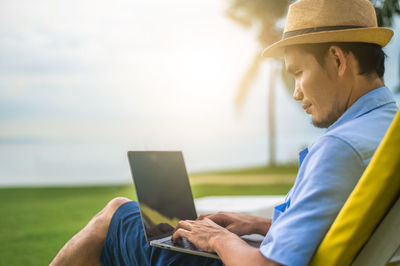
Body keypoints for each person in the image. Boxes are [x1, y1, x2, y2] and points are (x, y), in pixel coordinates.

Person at [50, 0, 398, 265]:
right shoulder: (387, 129)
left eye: (298, 72)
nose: (296, 92)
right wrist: (258, 223)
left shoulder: (339, 148)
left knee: (116, 213)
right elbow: (332, 224)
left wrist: (216, 238)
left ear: (338, 61)